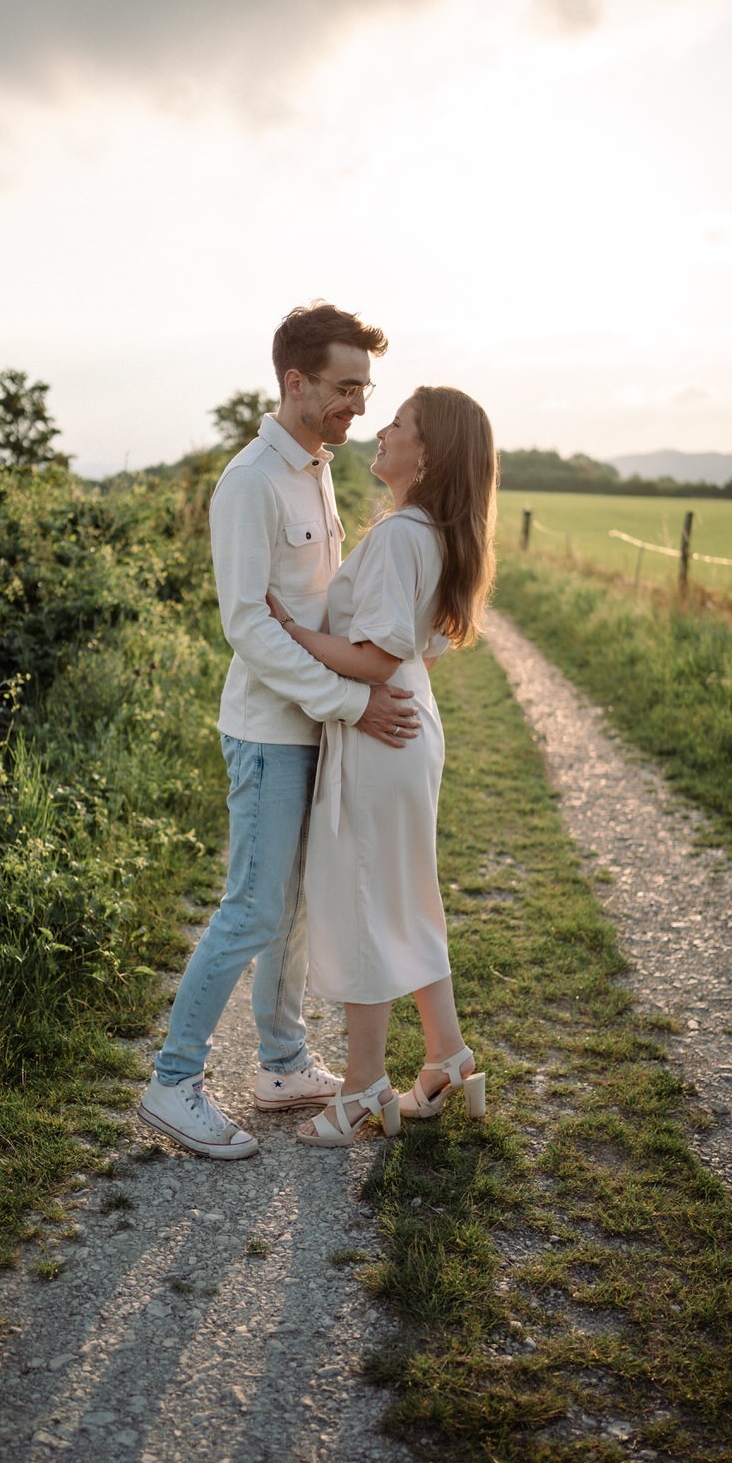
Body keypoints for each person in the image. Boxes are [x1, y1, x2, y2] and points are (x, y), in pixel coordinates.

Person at [139, 303, 421, 1159]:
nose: (359, 407)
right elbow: (248, 626)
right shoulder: (250, 481)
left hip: (313, 726)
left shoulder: (317, 467)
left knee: (295, 908)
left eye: (366, 390)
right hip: (270, 730)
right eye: (344, 389)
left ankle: (281, 1063)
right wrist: (351, 699)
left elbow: (309, 604)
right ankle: (172, 1083)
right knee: (253, 908)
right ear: (294, 382)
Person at [265, 386, 497, 1147]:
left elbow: (378, 656)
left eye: (398, 423)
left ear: (426, 453)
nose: (382, 430)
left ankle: (365, 1089)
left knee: (365, 902)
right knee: (405, 896)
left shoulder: (402, 534)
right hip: (405, 723)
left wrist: (292, 630)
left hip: (381, 727)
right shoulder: (425, 530)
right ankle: (447, 1057)